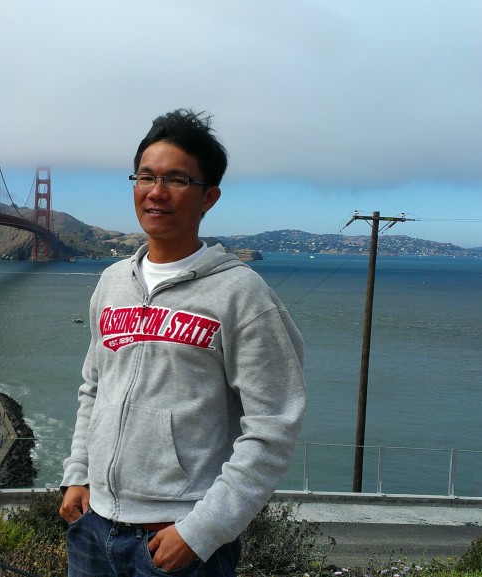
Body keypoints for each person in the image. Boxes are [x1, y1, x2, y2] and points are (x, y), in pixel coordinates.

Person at [59, 109, 306, 576]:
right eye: (146, 177)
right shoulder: (111, 282)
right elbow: (95, 389)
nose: (156, 192)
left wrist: (201, 532)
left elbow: (274, 426)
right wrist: (78, 474)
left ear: (209, 196)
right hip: (93, 529)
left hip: (178, 540)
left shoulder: (242, 295)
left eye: (176, 180)